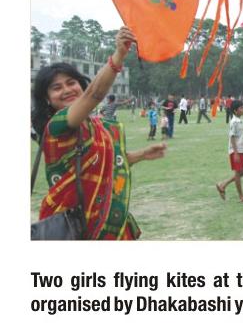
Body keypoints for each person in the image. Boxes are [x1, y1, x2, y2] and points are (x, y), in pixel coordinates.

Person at [31, 27, 167, 240]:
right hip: (76, 226)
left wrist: (141, 155)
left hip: (111, 223)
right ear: (47, 99)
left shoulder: (98, 125)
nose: (66, 90)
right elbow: (94, 94)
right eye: (56, 88)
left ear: (80, 85)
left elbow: (107, 162)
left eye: (71, 83)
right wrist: (119, 55)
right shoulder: (56, 126)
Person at [216, 100, 243, 204]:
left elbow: (241, 137)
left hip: (241, 150)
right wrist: (236, 153)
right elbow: (232, 137)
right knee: (238, 173)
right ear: (235, 111)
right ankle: (241, 197)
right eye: (241, 108)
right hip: (236, 151)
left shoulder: (241, 121)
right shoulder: (234, 122)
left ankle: (223, 185)